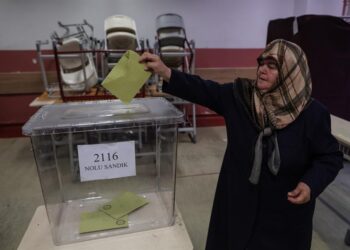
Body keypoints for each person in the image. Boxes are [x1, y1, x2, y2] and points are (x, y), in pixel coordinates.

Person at [139, 39, 343, 250]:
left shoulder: (312, 114)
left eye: (272, 66)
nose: (262, 69)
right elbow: (203, 89)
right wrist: (164, 70)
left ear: (292, 71)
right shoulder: (241, 97)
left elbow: (329, 157)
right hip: (238, 207)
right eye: (261, 63)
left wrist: (310, 184)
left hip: (284, 217)